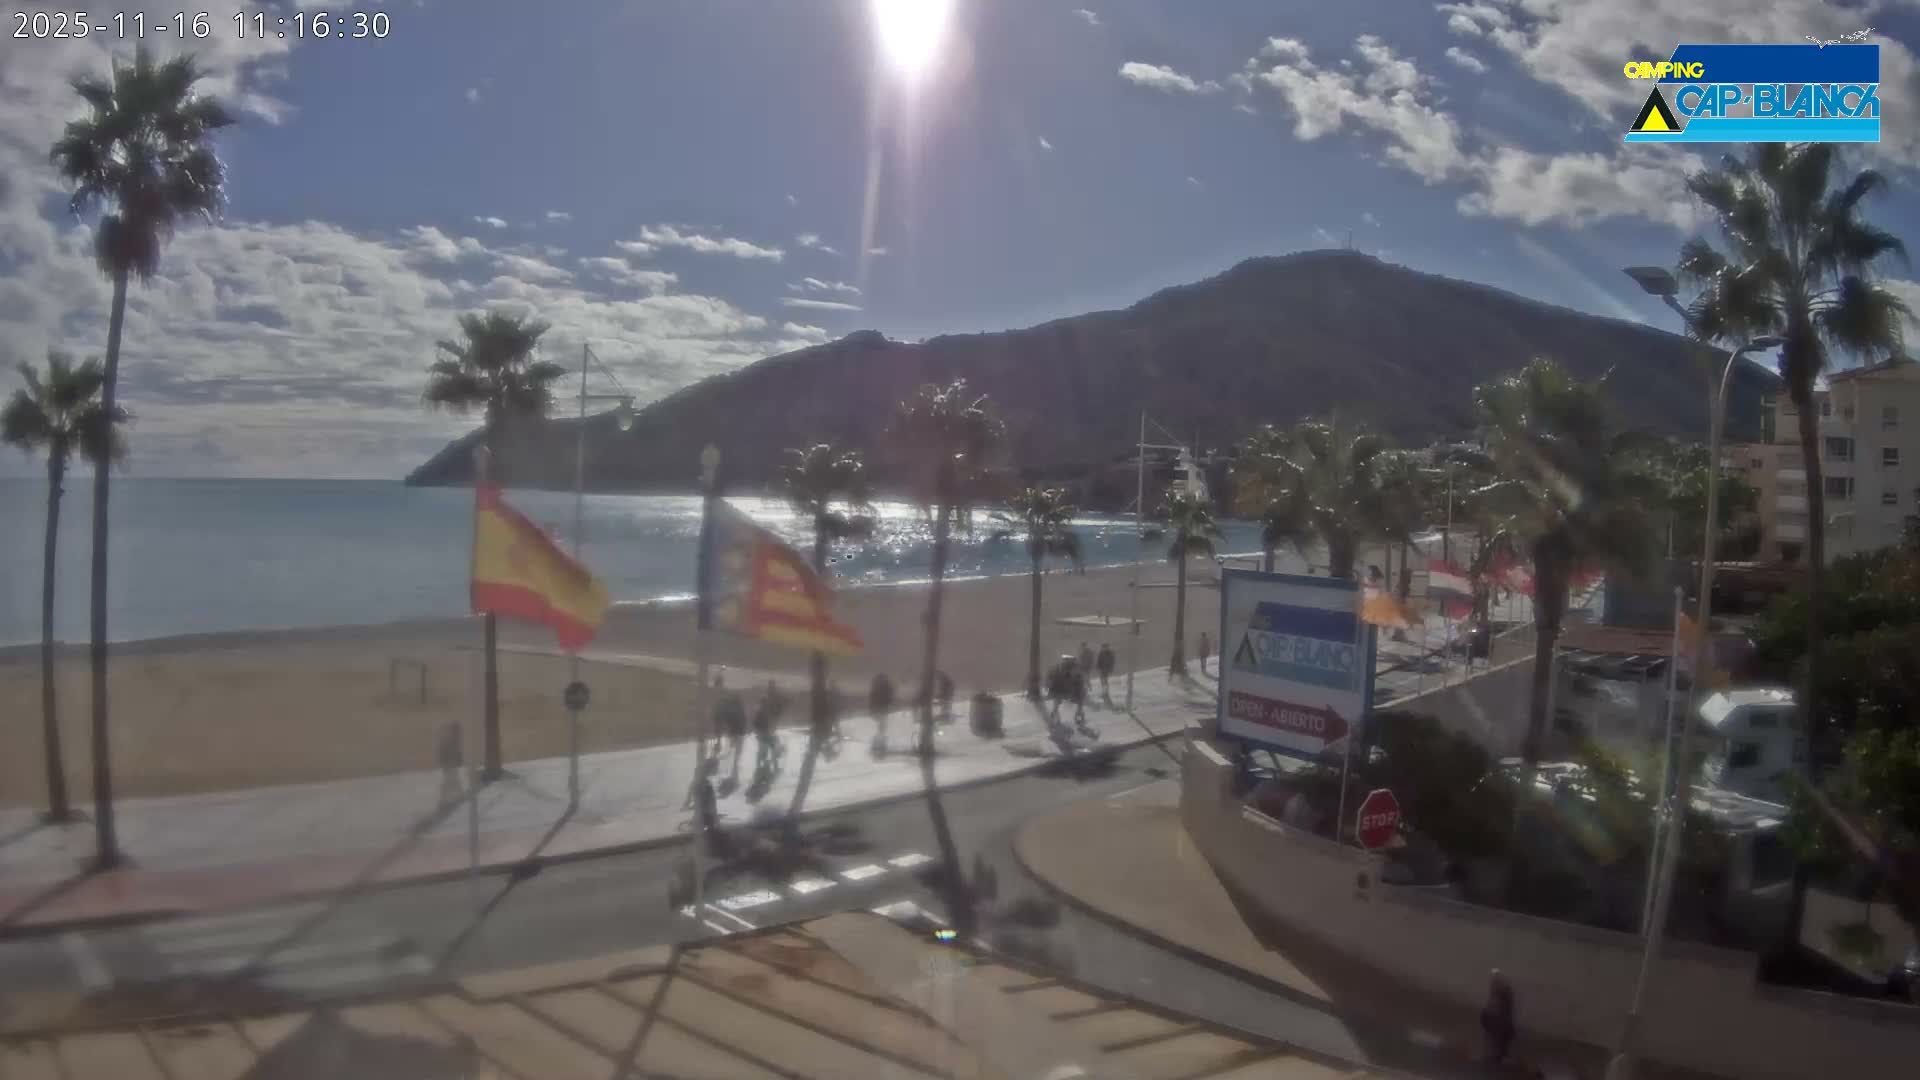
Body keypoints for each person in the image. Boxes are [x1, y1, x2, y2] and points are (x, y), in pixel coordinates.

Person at [715, 675, 748, 779]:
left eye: (717, 688)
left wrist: (719, 738)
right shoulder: (730, 695)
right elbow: (741, 711)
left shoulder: (723, 699)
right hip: (738, 728)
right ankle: (734, 772)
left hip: (736, 728)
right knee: (734, 752)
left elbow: (721, 717)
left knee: (731, 751)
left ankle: (733, 772)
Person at [1481, 969, 1516, 1067]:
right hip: (1498, 1022)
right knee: (1497, 1041)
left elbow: (1496, 1007)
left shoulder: (1502, 994)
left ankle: (1496, 1057)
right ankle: (1497, 1057)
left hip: (1499, 1022)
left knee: (1497, 1041)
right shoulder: (1502, 993)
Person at [753, 680, 785, 776]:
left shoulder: (764, 700)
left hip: (764, 731)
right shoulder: (770, 701)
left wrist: (757, 731)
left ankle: (760, 768)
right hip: (767, 731)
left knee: (765, 750)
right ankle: (771, 768)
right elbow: (775, 714)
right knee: (771, 749)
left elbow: (757, 717)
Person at [436, 721, 464, 806]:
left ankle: (455, 798)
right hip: (449, 765)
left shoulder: (454, 740)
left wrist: (458, 760)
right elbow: (444, 752)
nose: (459, 733)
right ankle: (444, 800)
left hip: (450, 765)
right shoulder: (450, 740)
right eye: (458, 731)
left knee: (453, 781)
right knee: (450, 782)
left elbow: (457, 753)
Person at [869, 671, 895, 754]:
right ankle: (879, 739)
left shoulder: (878, 687)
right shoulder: (883, 687)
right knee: (882, 723)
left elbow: (873, 697)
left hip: (879, 708)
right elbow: (889, 697)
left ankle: (879, 739)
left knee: (882, 723)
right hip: (881, 708)